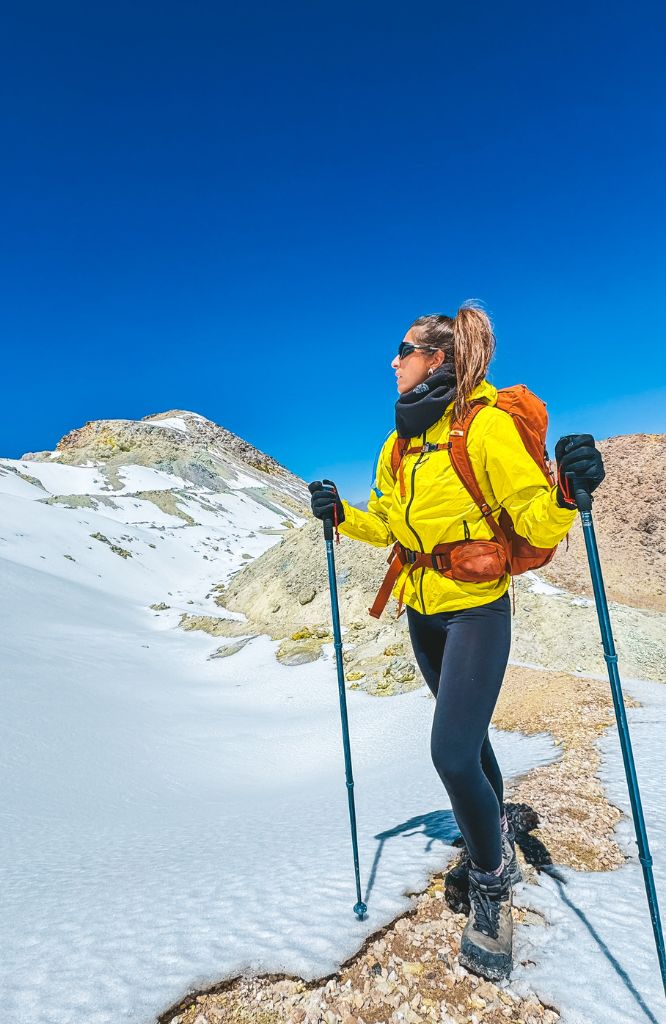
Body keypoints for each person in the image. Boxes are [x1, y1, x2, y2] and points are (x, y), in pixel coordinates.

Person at [309, 303, 604, 981]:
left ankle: (493, 881)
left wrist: (569, 491)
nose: (394, 360)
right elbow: (390, 520)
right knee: (469, 744)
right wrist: (341, 514)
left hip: (476, 611)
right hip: (423, 610)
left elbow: (532, 510)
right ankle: (496, 829)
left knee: (448, 752)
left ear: (437, 359)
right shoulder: (399, 445)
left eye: (404, 349)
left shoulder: (485, 427)